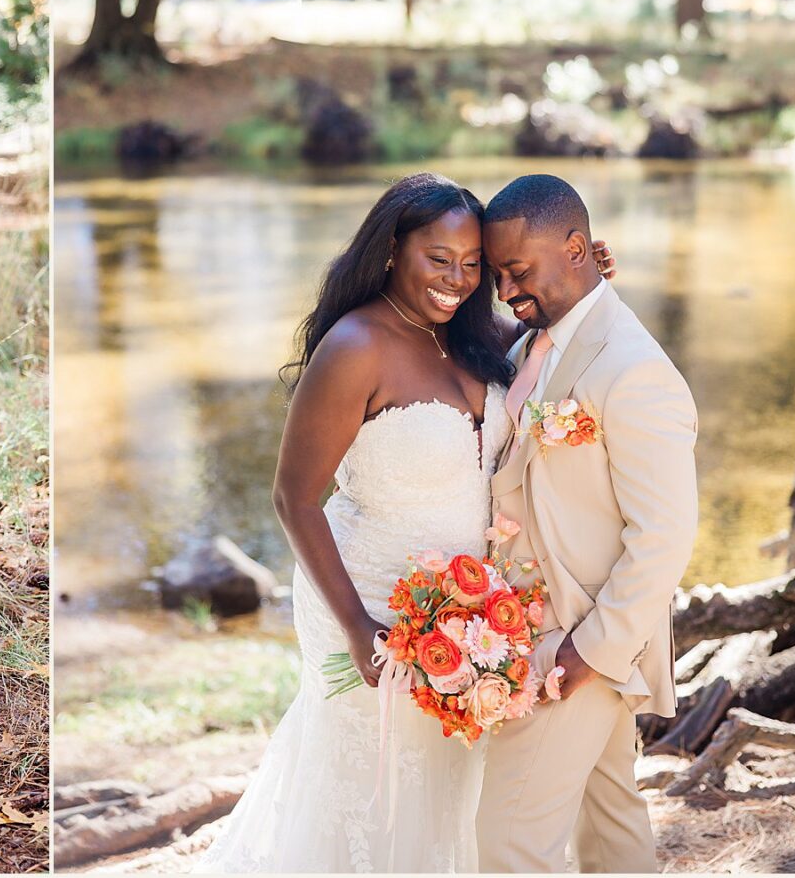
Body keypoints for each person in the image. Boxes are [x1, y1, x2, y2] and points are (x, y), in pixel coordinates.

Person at [197, 172, 616, 873]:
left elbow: (548, 334)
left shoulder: (475, 338)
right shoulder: (356, 346)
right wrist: (358, 629)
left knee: (454, 787)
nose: (456, 280)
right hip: (364, 600)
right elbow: (294, 498)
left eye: (472, 265)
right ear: (394, 249)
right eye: (438, 260)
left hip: (468, 615)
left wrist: (579, 276)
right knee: (372, 793)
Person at [476, 174, 697, 873]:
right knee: (610, 820)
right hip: (536, 628)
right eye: (500, 275)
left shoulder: (634, 372)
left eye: (518, 271)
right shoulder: (535, 342)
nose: (507, 290)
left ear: (575, 249)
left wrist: (591, 649)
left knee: (506, 841)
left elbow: (662, 535)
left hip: (575, 643)